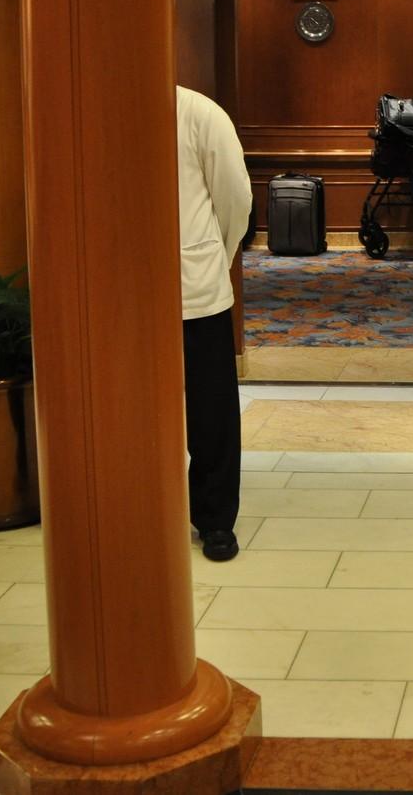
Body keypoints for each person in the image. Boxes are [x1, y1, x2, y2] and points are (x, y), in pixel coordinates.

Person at [176, 85, 252, 562]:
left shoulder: (200, 112)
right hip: (122, 295)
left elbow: (235, 200)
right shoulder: (102, 114)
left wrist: (216, 258)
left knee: (211, 410)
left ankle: (215, 519)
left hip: (197, 288)